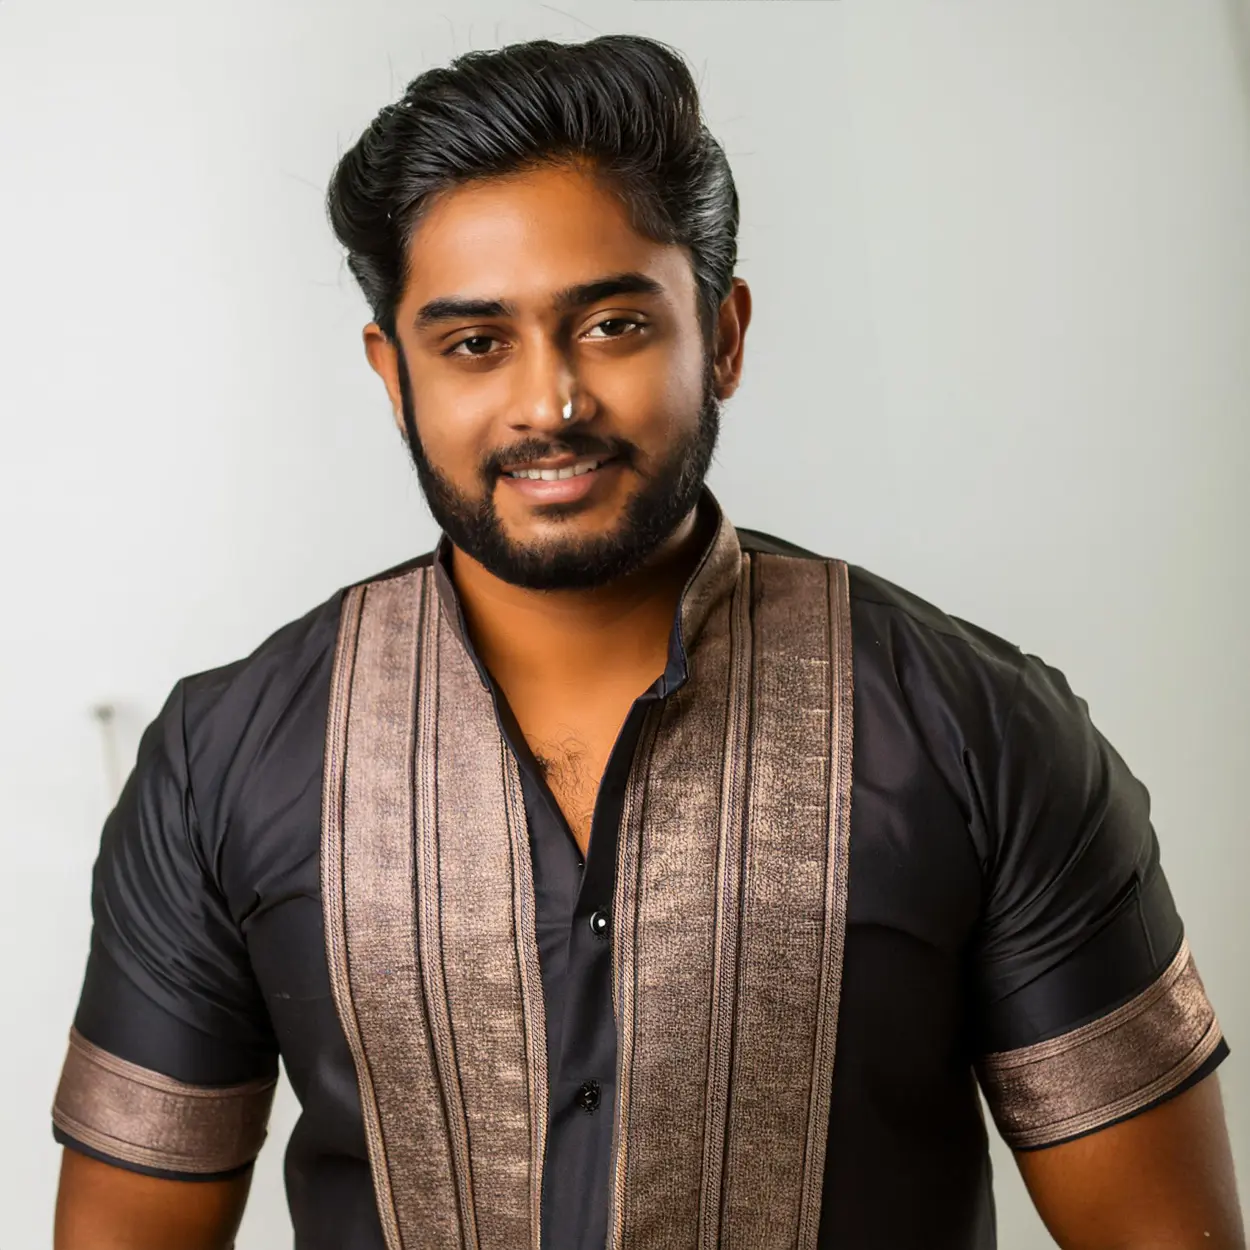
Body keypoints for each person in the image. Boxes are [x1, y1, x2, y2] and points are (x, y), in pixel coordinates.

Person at [51, 33, 1242, 1250]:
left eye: (613, 324)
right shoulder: (226, 756)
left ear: (719, 334)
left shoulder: (977, 730)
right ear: (393, 374)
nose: (548, 401)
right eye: (473, 343)